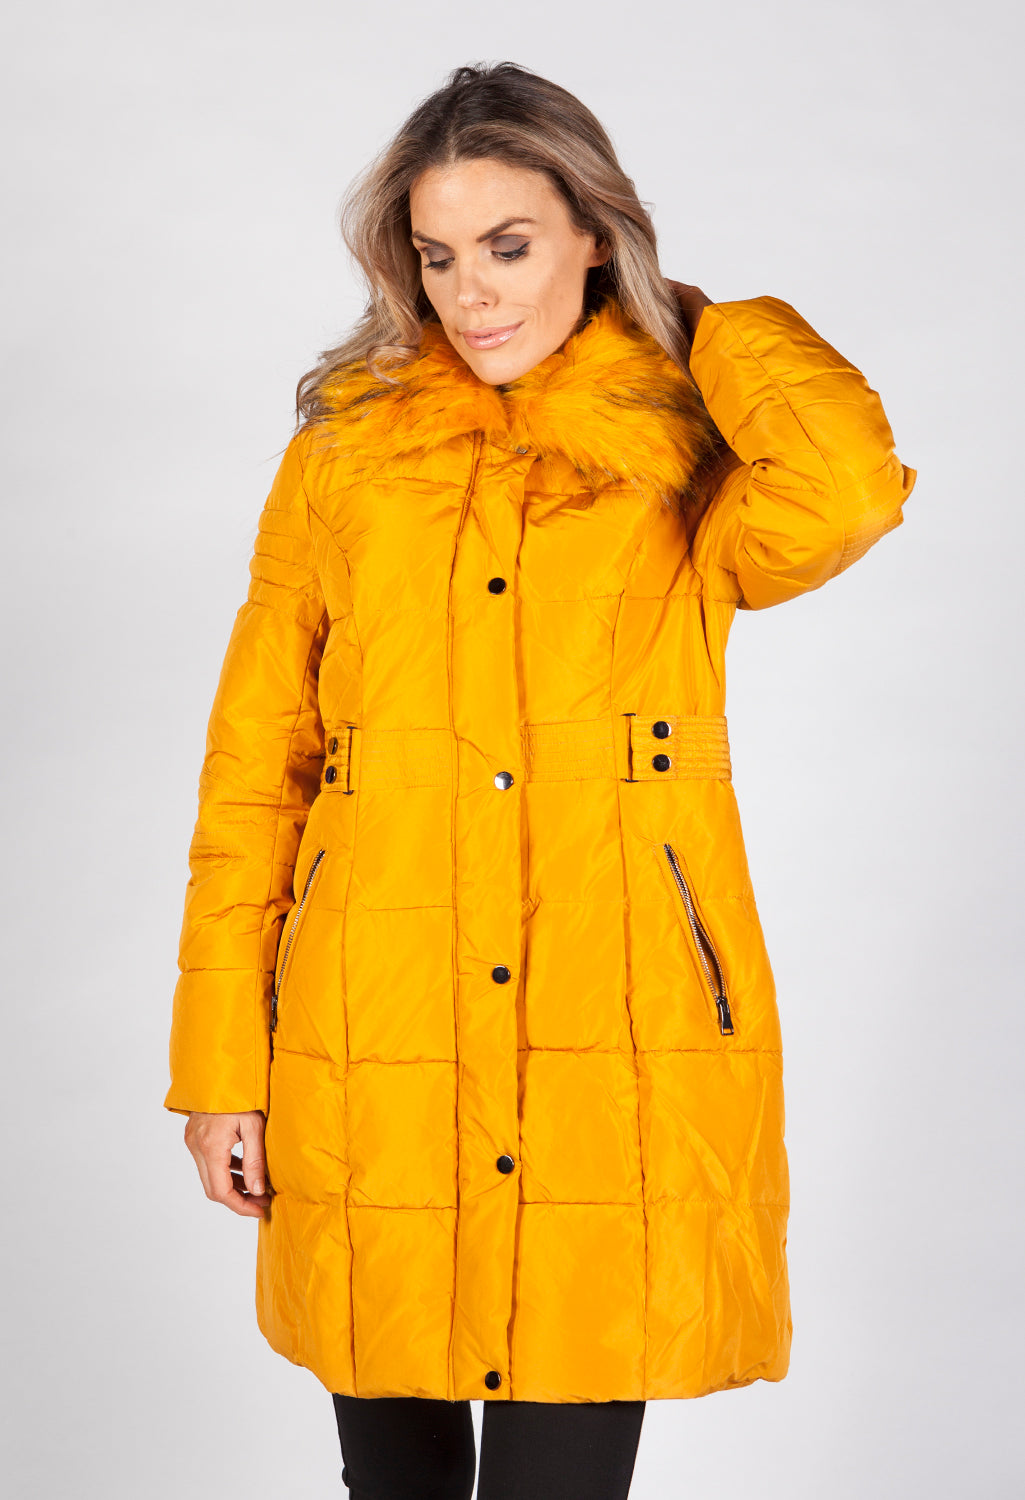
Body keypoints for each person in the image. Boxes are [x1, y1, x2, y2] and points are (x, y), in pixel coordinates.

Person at [164, 60, 916, 1500]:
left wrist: (697, 321)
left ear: (593, 232)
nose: (471, 295)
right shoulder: (344, 456)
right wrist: (219, 1070)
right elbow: (256, 767)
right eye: (436, 257)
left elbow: (849, 488)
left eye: (508, 245)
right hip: (371, 1027)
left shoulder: (681, 442)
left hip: (610, 1016)